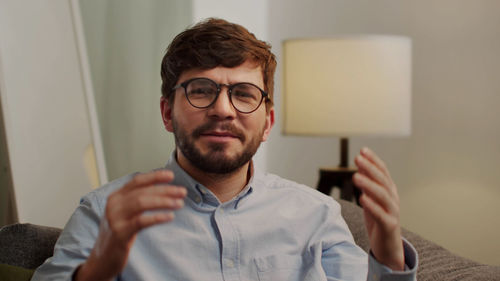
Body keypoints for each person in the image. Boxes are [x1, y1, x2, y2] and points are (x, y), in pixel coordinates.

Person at [31, 18, 417, 281]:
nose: (222, 108)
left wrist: (388, 256)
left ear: (267, 123)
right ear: (168, 112)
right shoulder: (105, 211)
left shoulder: (317, 215)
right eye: (201, 90)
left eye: (243, 94)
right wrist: (99, 267)